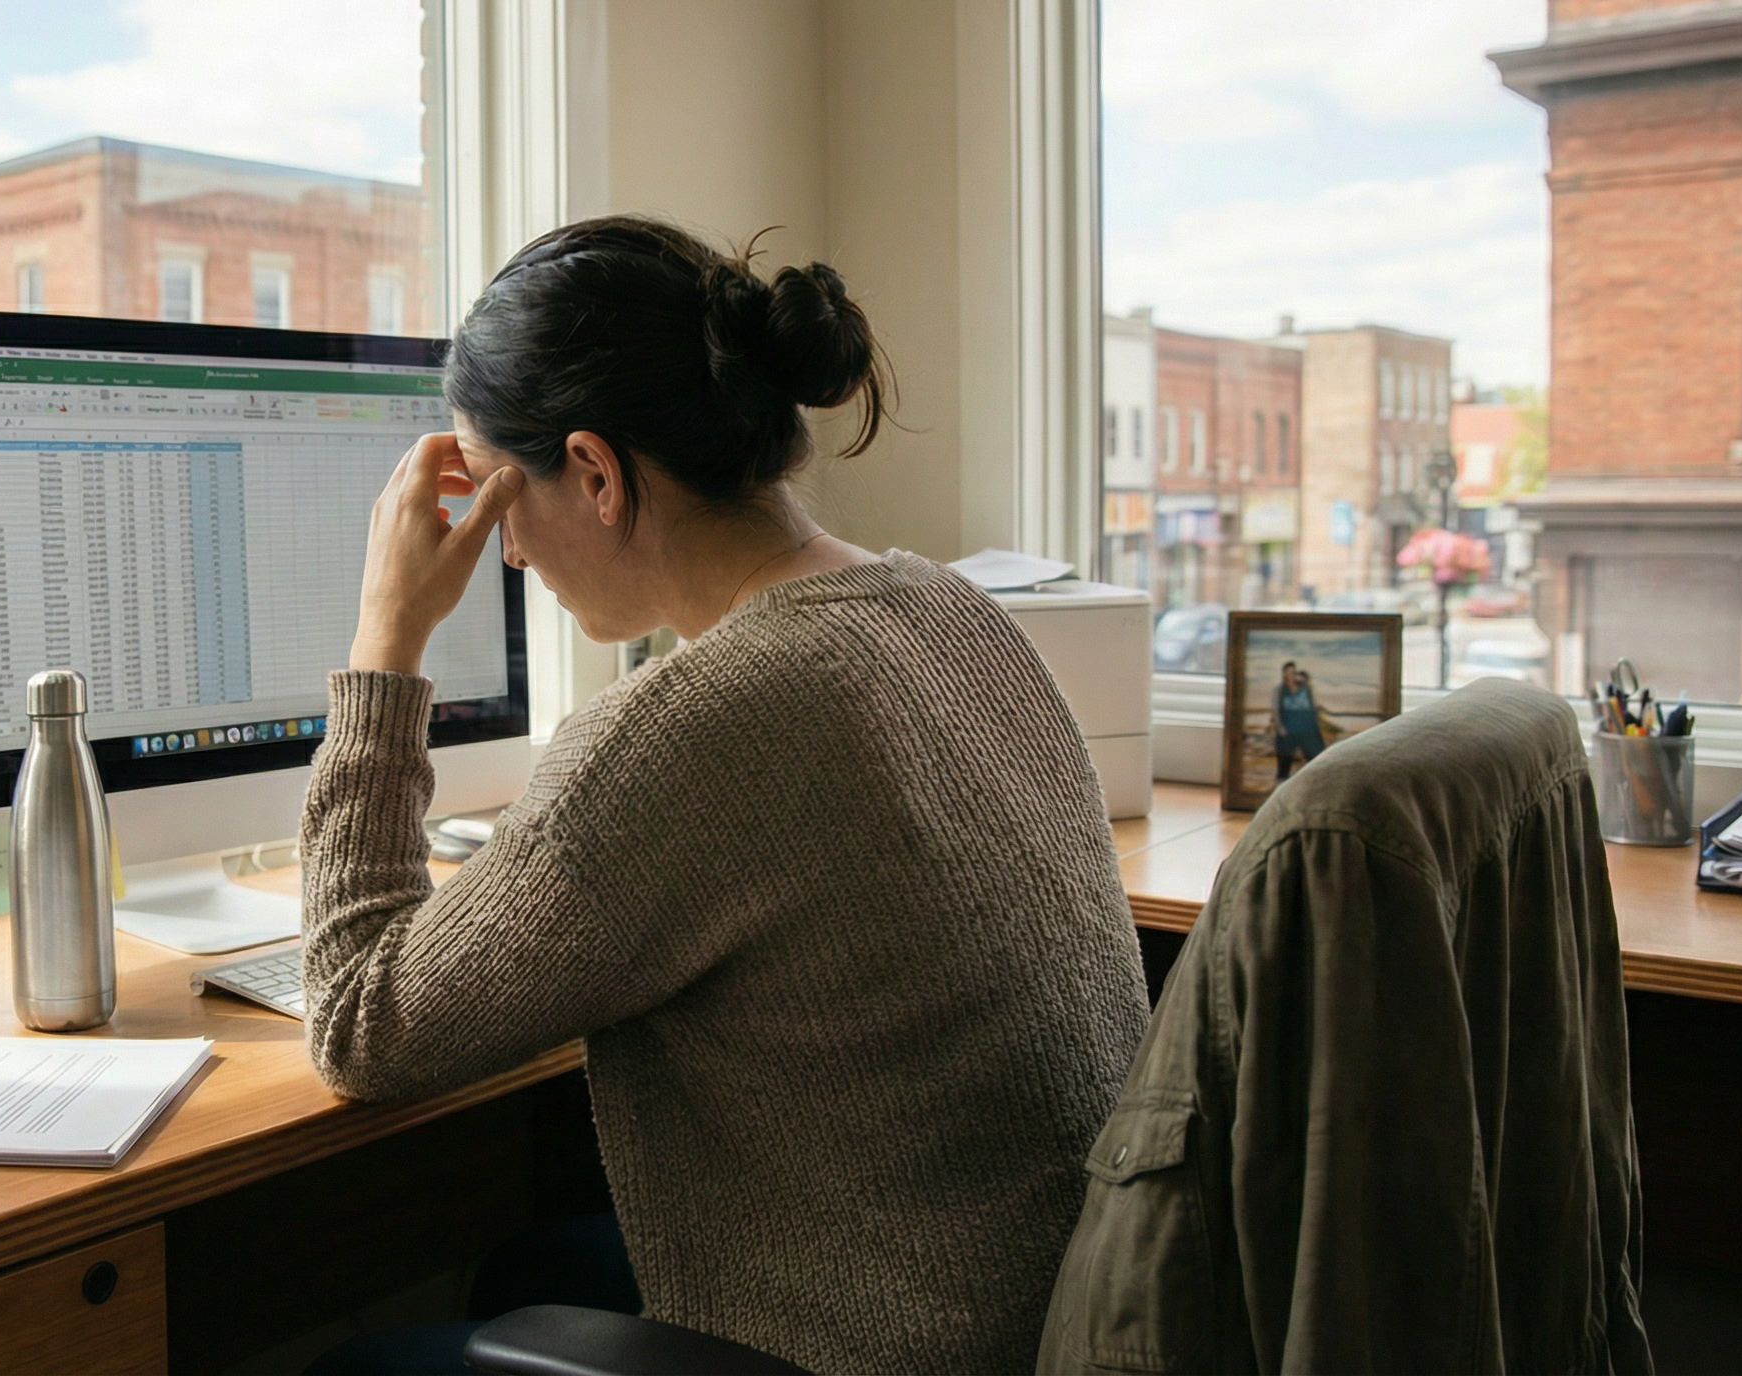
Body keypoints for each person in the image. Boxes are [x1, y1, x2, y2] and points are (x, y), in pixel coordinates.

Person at [299, 217, 1148, 1375]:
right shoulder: (952, 611)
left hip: (892, 1346)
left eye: (501, 501)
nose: (507, 554)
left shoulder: (678, 735)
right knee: (531, 1277)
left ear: (594, 472)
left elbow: (358, 1025)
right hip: (1055, 1317)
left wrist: (385, 642)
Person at [1269, 660, 1327, 782]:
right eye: (1288, 672)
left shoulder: (1306, 688)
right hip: (1288, 733)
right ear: (1284, 674)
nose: (1291, 675)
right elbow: (1275, 710)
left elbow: (1313, 706)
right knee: (1283, 768)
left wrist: (1316, 722)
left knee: (1317, 763)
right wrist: (1280, 728)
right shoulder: (1279, 690)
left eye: (1293, 672)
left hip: (1308, 731)